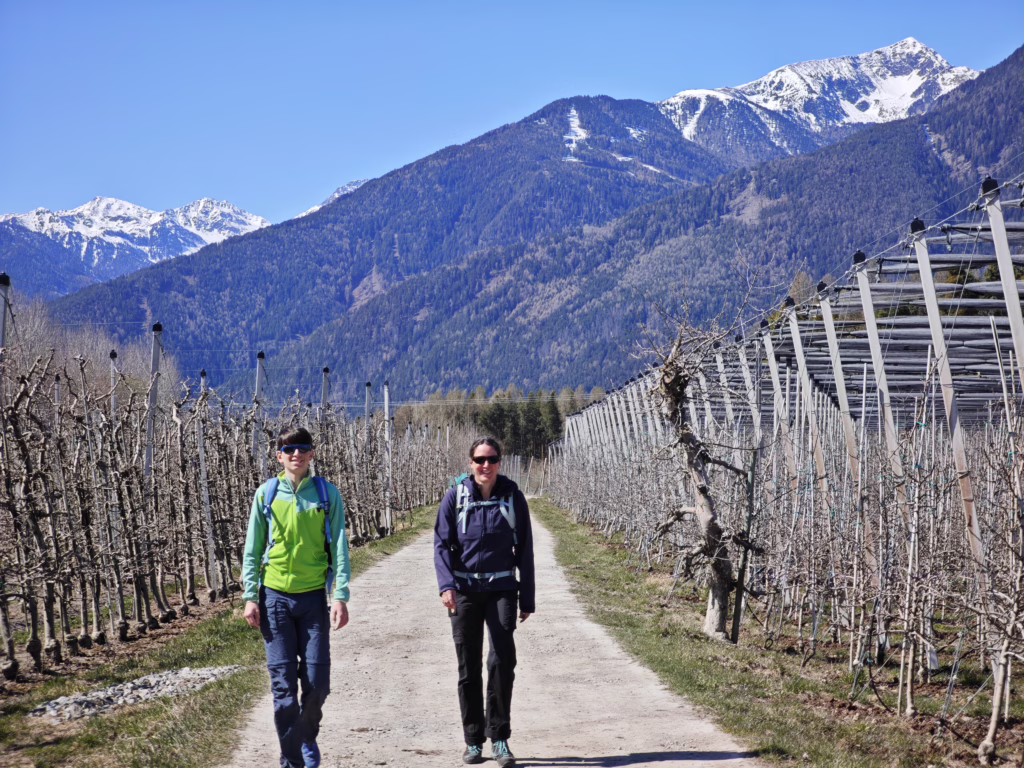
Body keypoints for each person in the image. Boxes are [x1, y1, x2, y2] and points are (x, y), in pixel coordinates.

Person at [242, 426, 351, 768]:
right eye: (289, 449)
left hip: (313, 601)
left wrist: (340, 595)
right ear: (279, 456)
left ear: (312, 454)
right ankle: (293, 760)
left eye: (302, 448)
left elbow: (340, 547)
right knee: (284, 693)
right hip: (274, 599)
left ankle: (306, 736)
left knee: (318, 684)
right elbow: (252, 548)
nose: (296, 454)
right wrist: (250, 595)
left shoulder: (326, 493)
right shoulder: (267, 494)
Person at [434, 437, 535, 768]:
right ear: (470, 463)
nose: (485, 465)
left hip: (503, 588)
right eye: (479, 460)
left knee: (501, 660)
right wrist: (446, 586)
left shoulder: (513, 498)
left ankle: (500, 737)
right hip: (464, 591)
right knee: (468, 666)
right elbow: (441, 545)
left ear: (500, 463)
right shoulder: (456, 497)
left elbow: (526, 550)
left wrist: (527, 597)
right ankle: (473, 741)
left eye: (491, 459)